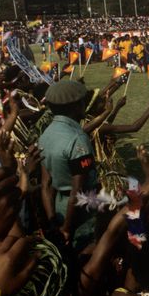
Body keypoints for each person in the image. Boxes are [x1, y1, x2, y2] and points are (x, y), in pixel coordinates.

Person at [39, 80, 98, 246]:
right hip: (80, 212)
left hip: (59, 207)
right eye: (83, 102)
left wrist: (53, 220)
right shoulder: (78, 140)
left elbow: (46, 184)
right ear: (75, 106)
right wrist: (67, 228)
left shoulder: (47, 134)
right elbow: (77, 191)